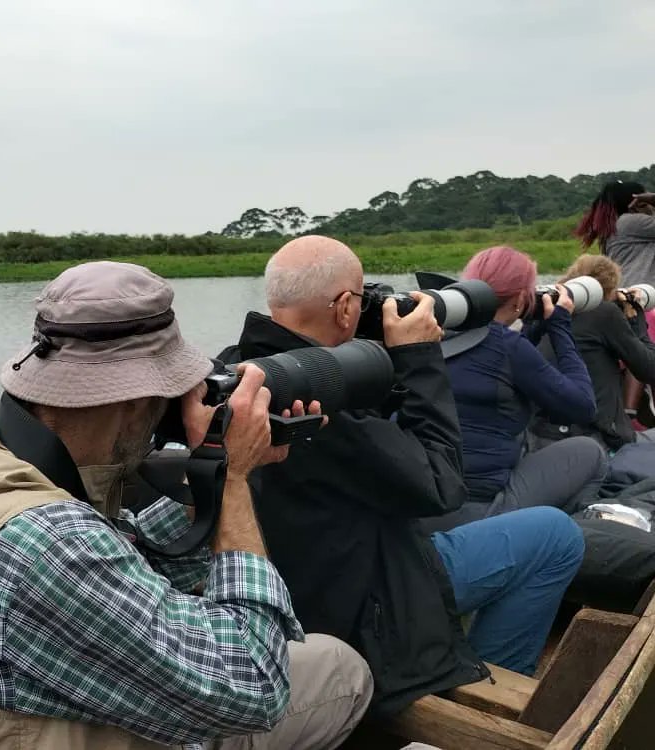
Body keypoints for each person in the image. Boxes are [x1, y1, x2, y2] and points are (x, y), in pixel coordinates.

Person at [0, 261, 374, 750]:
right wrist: (233, 482)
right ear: (137, 401)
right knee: (341, 671)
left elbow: (124, 558)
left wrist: (213, 470)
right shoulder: (50, 544)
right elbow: (255, 687)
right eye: (174, 392)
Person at [219, 236, 584, 717]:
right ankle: (484, 692)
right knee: (555, 535)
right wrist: (420, 359)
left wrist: (372, 356)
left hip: (301, 576)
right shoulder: (317, 406)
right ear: (345, 307)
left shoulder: (242, 369)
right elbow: (442, 484)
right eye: (362, 297)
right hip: (367, 596)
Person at [432, 245, 606, 528]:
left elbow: (493, 367)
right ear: (520, 300)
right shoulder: (507, 345)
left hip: (430, 499)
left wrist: (530, 332)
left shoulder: (435, 330)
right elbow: (583, 407)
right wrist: (560, 328)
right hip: (484, 507)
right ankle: (555, 533)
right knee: (590, 451)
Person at [531, 254, 655, 454]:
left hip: (541, 433)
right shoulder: (604, 312)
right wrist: (638, 323)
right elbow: (649, 369)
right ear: (609, 290)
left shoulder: (546, 309)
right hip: (596, 436)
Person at [575, 182, 655, 419]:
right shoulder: (631, 222)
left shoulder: (615, 226)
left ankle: (631, 410)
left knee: (635, 349)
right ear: (636, 201)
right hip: (641, 299)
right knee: (642, 350)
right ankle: (631, 410)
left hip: (624, 295)